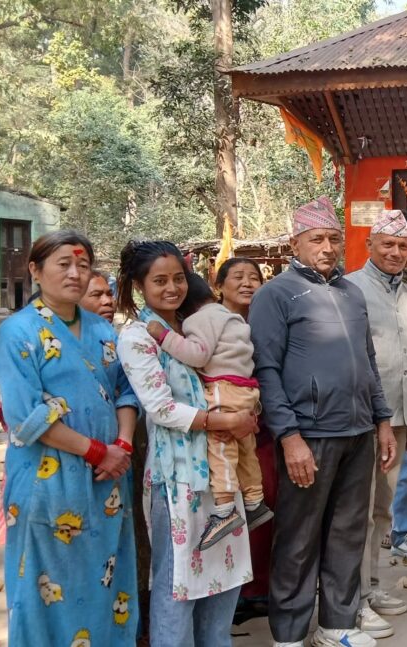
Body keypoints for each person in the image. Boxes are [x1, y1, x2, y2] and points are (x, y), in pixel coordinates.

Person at [251, 197, 397, 647]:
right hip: (309, 435)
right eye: (317, 239)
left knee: (347, 534)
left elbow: (368, 362)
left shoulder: (351, 292)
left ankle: (336, 625)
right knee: (298, 539)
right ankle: (290, 634)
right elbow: (266, 370)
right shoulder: (275, 294)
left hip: (358, 432)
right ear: (295, 242)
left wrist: (383, 420)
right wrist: (289, 436)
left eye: (334, 238)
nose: (328, 247)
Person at [0, 231, 139, 646]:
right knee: (44, 590)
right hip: (48, 482)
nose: (75, 273)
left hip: (109, 481)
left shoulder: (104, 331)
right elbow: (25, 418)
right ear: (35, 270)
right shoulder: (16, 333)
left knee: (108, 584)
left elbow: (126, 392)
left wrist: (123, 446)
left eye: (83, 265)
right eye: (64, 264)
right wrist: (97, 452)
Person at [117, 240, 256, 646]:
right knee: (178, 586)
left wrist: (244, 409)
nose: (172, 288)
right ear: (139, 285)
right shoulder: (138, 337)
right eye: (159, 281)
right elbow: (161, 409)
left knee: (224, 580)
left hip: (221, 473)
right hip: (178, 478)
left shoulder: (195, 326)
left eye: (178, 278)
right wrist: (224, 420)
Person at [146, 272, 273, 550]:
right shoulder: (230, 317)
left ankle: (225, 510)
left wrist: (165, 336)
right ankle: (255, 501)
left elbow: (198, 354)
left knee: (220, 445)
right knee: (245, 449)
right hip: (246, 389)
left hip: (223, 389)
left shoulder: (199, 319)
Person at [348, 209, 407, 637]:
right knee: (360, 511)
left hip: (400, 418)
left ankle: (372, 586)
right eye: (388, 245)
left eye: (402, 246)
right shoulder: (351, 289)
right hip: (366, 419)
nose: (395, 252)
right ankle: (354, 600)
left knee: (382, 510)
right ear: (370, 245)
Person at [209, 258, 277, 623]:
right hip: (220, 425)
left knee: (263, 501)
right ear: (219, 285)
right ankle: (230, 592)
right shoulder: (208, 322)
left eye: (254, 277)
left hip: (260, 425)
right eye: (238, 277)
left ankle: (259, 588)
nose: (248, 283)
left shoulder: (266, 320)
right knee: (224, 504)